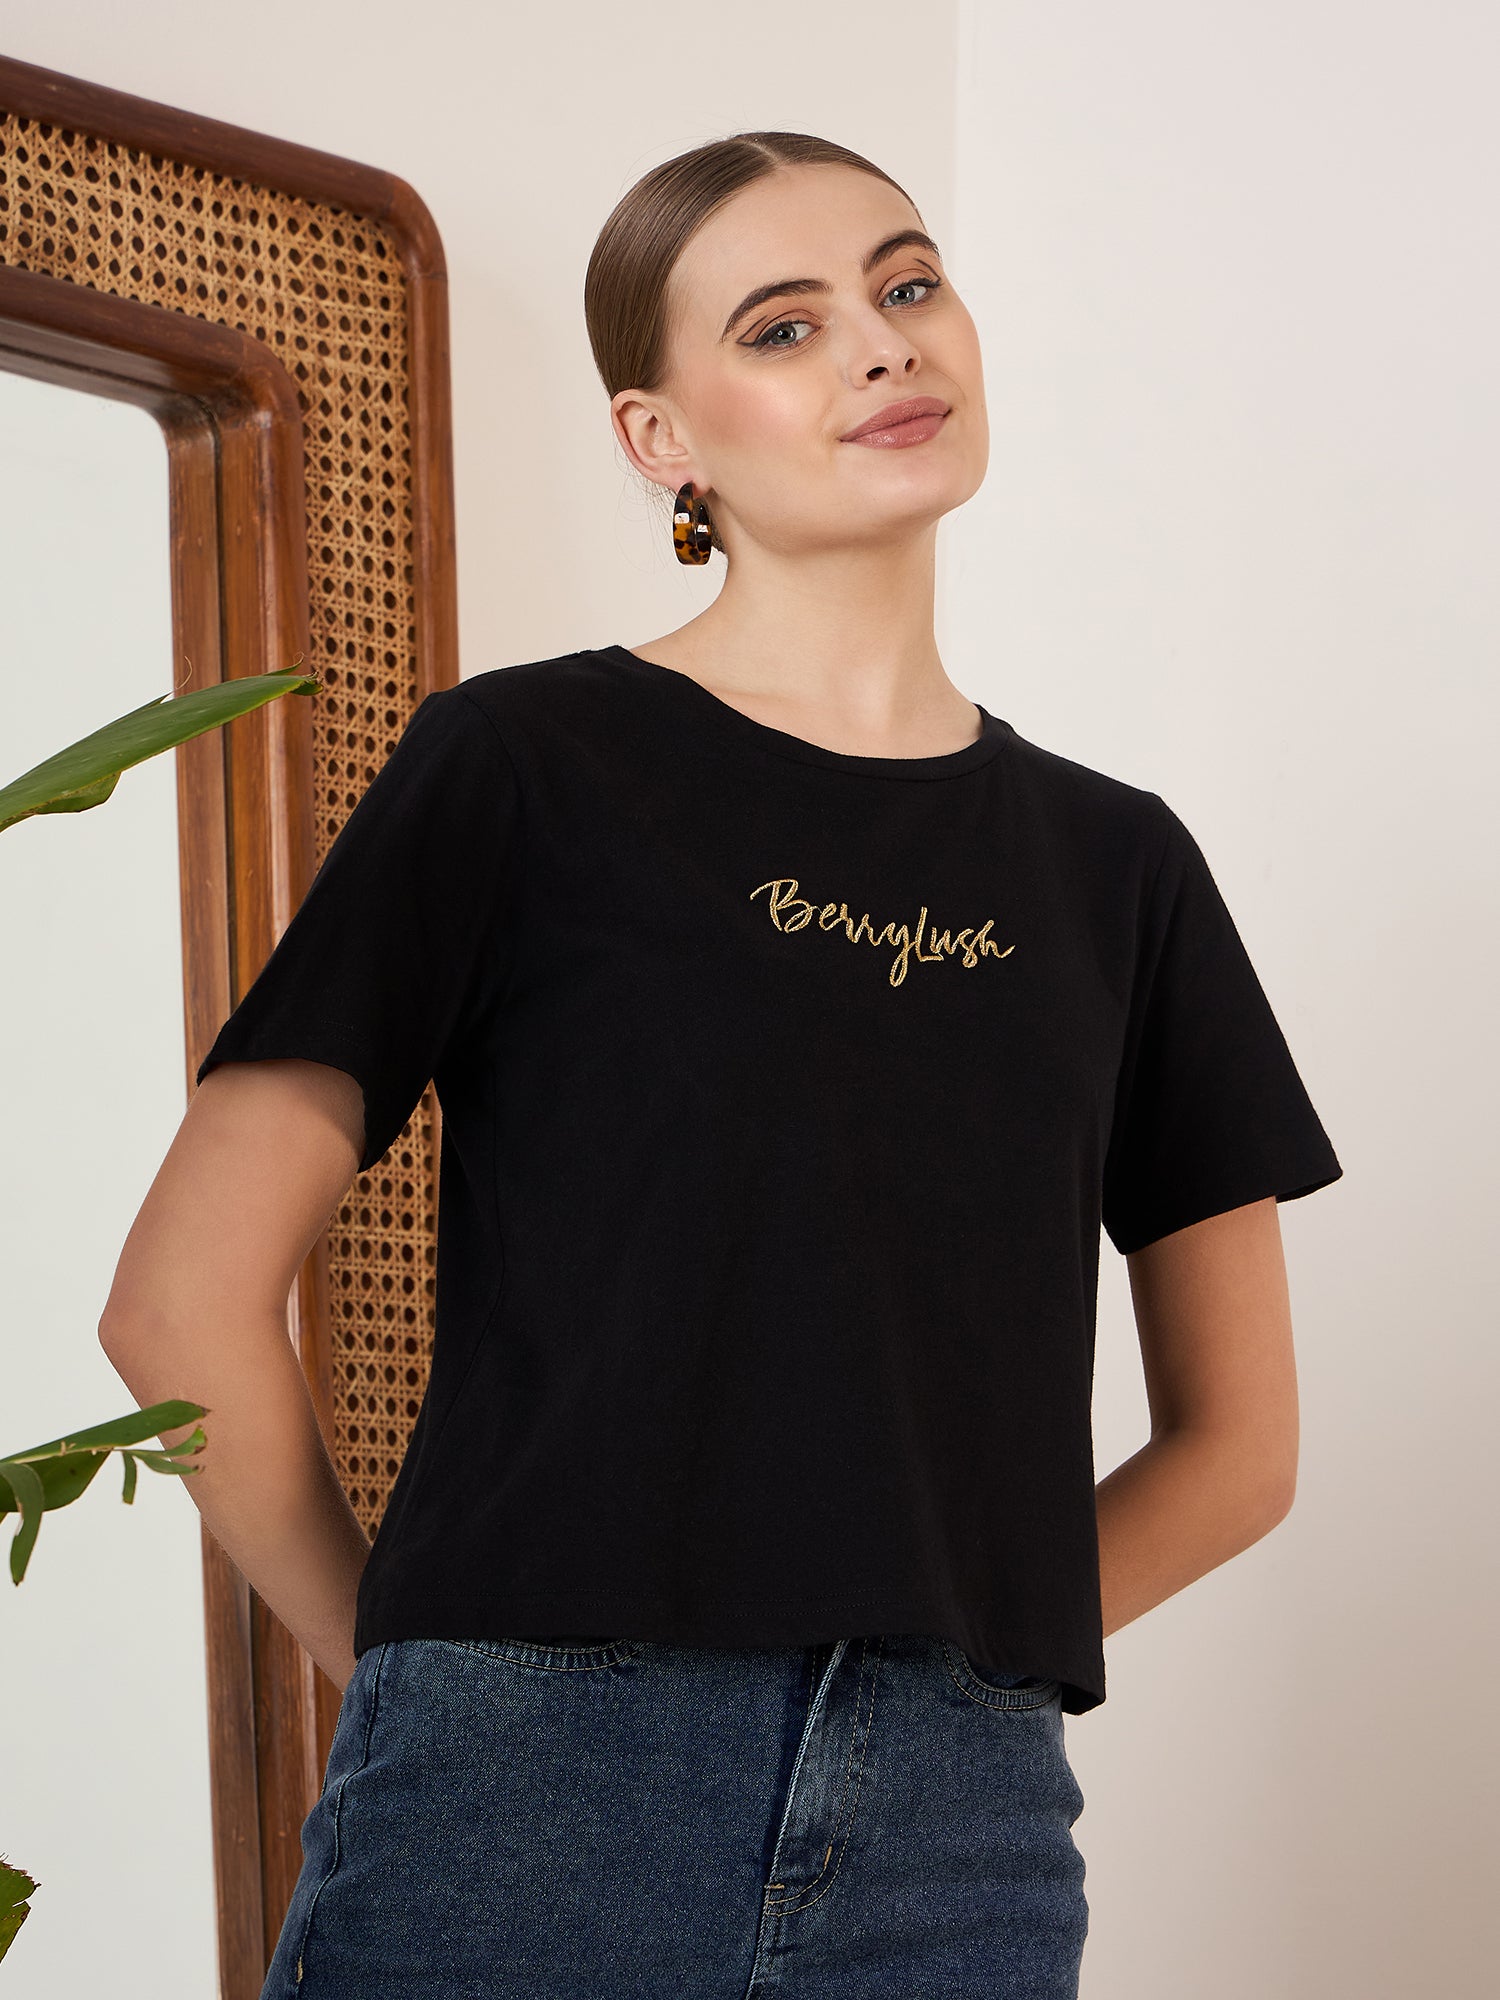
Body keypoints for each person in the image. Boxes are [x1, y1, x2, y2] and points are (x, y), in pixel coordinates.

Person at [100, 131, 1343, 1999]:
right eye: (785, 324)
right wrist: (423, 1672)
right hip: (524, 1787)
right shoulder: (522, 768)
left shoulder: (1117, 866)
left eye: (907, 285)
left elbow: (1241, 1451)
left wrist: (948, 1651)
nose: (883, 343)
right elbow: (180, 1306)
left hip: (965, 1840)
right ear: (659, 437)